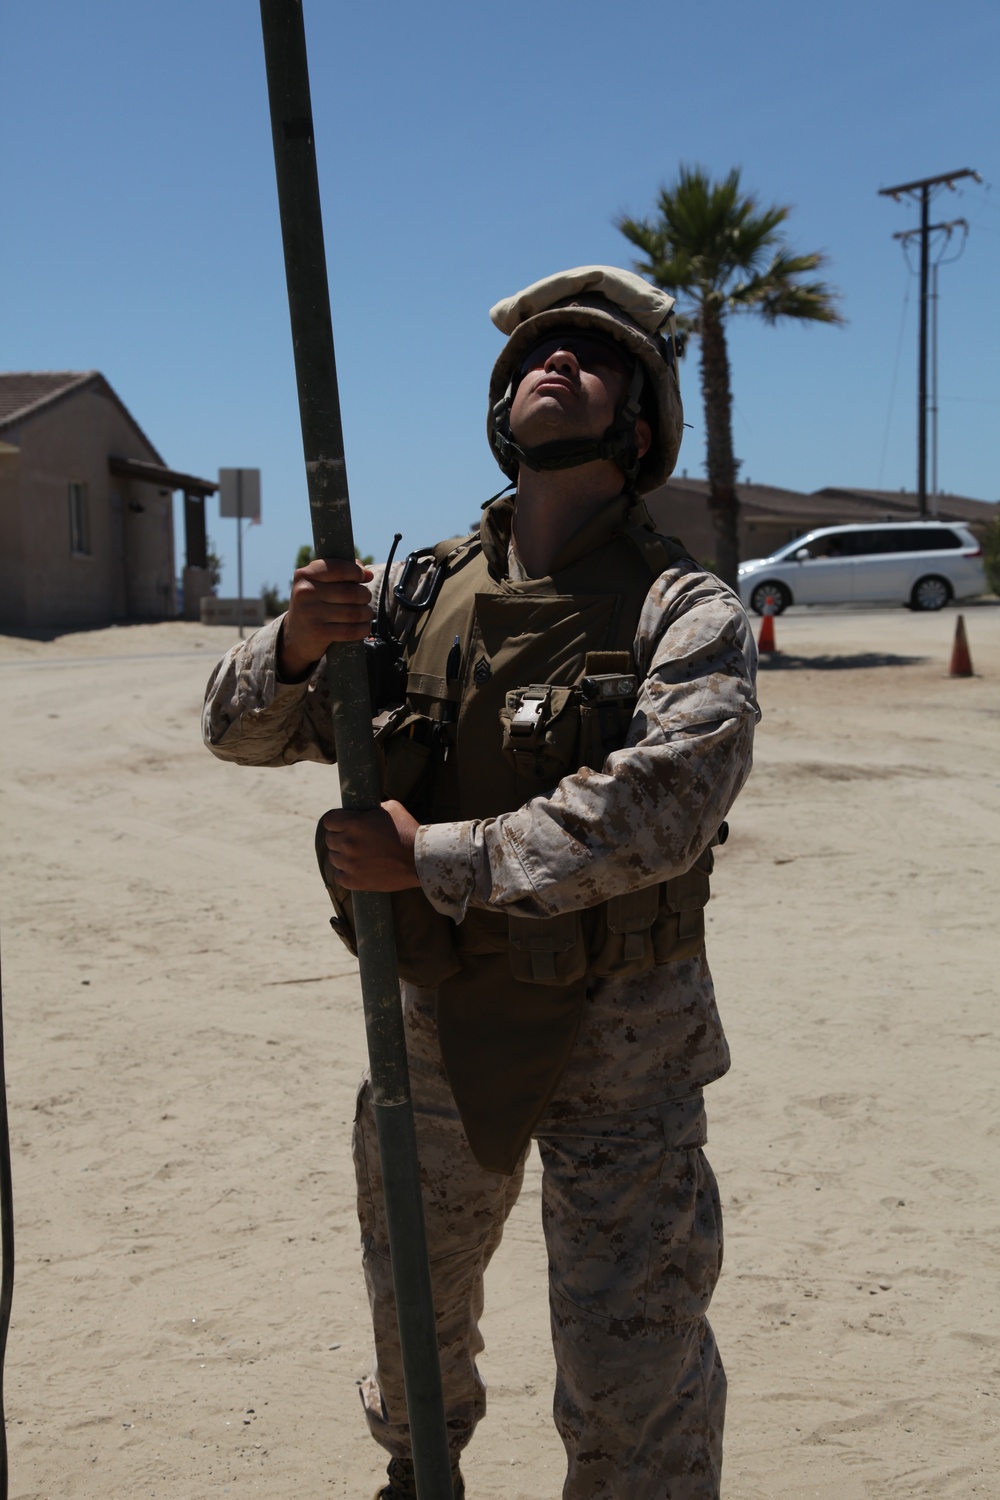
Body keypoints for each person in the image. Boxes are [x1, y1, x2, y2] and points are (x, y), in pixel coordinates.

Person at [203, 265, 758, 1500]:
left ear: (641, 420)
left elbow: (664, 804)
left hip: (627, 1043)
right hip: (435, 1031)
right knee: (415, 1326)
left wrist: (430, 859)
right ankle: (419, 1473)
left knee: (634, 1376)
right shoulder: (413, 593)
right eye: (532, 359)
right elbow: (233, 731)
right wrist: (296, 649)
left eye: (590, 358)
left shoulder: (685, 606)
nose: (551, 367)